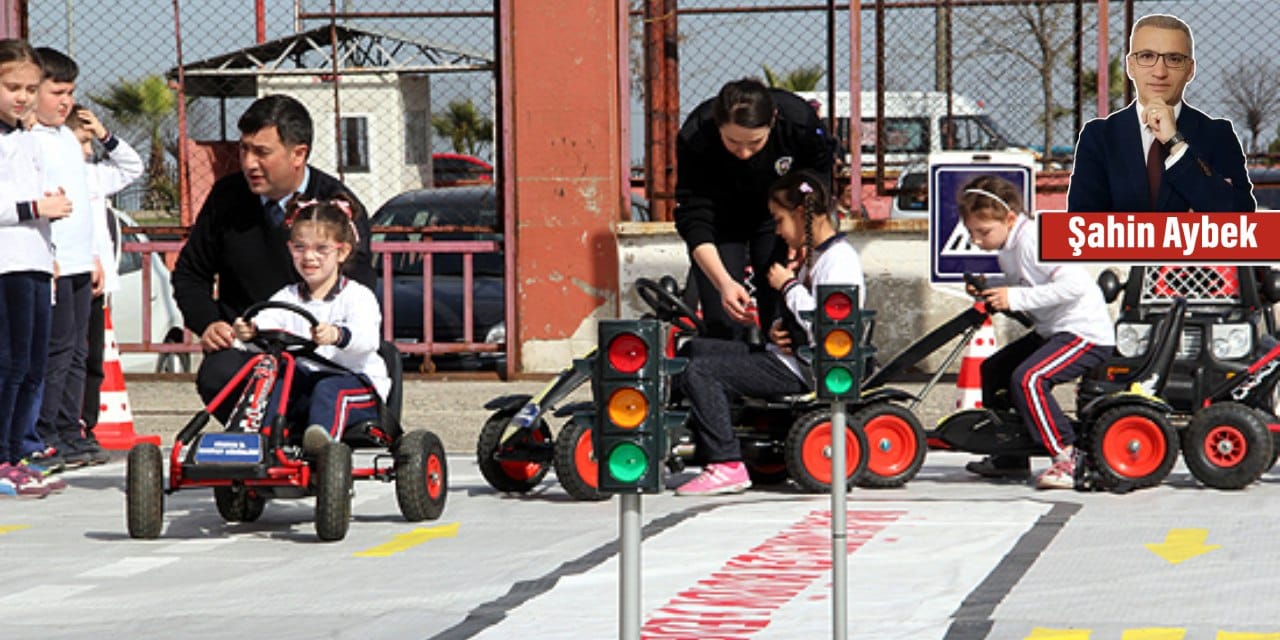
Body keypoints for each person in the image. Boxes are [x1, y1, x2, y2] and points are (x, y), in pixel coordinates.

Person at [172, 94, 375, 422]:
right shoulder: (227, 197)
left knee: (323, 386)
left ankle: (309, 433)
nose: (249, 163)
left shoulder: (337, 207)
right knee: (218, 374)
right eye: (244, 150)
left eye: (262, 152)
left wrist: (328, 335)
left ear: (298, 154)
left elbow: (359, 285)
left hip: (321, 355)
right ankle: (261, 435)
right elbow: (190, 273)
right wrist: (208, 323)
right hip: (251, 349)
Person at [674, 170, 864, 496]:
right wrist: (779, 329)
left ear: (801, 214)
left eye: (779, 220)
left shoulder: (839, 261)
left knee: (700, 371)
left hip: (806, 371)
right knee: (693, 351)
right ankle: (690, 437)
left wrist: (788, 285)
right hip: (789, 357)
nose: (777, 231)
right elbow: (804, 320)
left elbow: (827, 325)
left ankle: (725, 462)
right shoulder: (816, 257)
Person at [958, 176, 1115, 490]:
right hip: (1053, 331)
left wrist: (1014, 298)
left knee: (1030, 379)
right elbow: (1030, 283)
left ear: (1010, 219)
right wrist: (991, 287)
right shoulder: (1008, 246)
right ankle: (1010, 455)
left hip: (1084, 333)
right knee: (994, 370)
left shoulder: (1034, 240)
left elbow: (1075, 286)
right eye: (971, 232)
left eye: (983, 231)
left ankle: (1068, 457)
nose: (976, 240)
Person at [674, 78, 834, 344]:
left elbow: (817, 183)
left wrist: (806, 236)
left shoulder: (799, 123)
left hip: (778, 219)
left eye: (755, 142)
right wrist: (723, 283)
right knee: (723, 320)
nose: (745, 153)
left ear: (773, 120)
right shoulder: (696, 135)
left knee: (783, 315)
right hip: (721, 220)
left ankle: (781, 366)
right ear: (718, 126)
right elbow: (694, 218)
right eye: (733, 142)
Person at [231, 196, 388, 453]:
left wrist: (337, 335)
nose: (309, 257)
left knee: (328, 390)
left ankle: (321, 450)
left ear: (342, 252)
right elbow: (267, 322)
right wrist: (249, 332)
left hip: (357, 384)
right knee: (275, 377)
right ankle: (263, 442)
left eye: (321, 249)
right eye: (299, 248)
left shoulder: (357, 296)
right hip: (306, 382)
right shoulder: (287, 296)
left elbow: (368, 340)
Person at [1067, 13, 1254, 213]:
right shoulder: (1099, 137)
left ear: (1190, 70)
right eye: (1147, 56)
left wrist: (1176, 144)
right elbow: (1082, 224)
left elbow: (1241, 218)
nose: (1160, 72)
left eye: (1174, 59)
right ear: (1131, 66)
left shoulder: (1217, 135)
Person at [28, 47, 111, 467]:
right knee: (56, 351)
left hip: (80, 261)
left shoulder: (65, 137)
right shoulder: (31, 141)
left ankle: (69, 428)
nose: (65, 102)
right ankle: (44, 432)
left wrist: (93, 255)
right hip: (54, 264)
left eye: (71, 93)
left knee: (79, 350)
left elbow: (83, 205)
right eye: (56, 92)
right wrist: (50, 258)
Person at [0, 39, 73, 497]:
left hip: (34, 261)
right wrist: (35, 208)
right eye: (12, 87)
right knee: (8, 364)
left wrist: (50, 240)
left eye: (30, 88)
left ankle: (16, 454)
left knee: (31, 366)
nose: (23, 97)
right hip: (6, 265)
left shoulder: (25, 137)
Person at [68, 104, 143, 453]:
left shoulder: (94, 175)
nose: (88, 150)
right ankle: (63, 425)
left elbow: (132, 167)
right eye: (81, 142)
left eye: (90, 143)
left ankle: (86, 424)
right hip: (70, 277)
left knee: (92, 358)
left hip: (97, 286)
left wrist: (104, 135)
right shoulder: (51, 175)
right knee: (68, 356)